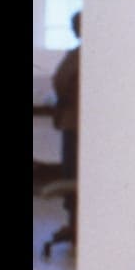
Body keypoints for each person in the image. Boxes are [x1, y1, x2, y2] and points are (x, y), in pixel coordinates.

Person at [52, 11, 81, 182]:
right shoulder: (77, 53)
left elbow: (61, 80)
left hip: (74, 120)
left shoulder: (78, 54)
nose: (72, 31)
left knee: (72, 170)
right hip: (73, 119)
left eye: (74, 27)